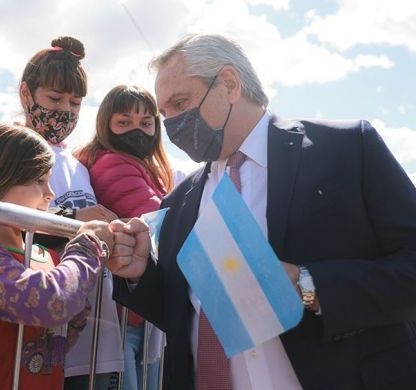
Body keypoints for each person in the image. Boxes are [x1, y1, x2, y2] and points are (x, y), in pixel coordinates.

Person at [108, 33, 416, 390]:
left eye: (180, 102)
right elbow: (188, 315)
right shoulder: (177, 203)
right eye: (165, 113)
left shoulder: (346, 150)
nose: (172, 123)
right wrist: (138, 275)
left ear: (229, 84)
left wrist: (307, 285)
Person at [0, 122, 114, 389]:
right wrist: (90, 245)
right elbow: (53, 302)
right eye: (38, 180)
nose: (51, 194)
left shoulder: (46, 256)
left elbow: (68, 321)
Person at [19, 36, 123, 389]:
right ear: (26, 95)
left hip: (96, 329)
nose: (65, 109)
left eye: (75, 102)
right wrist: (73, 220)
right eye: (54, 98)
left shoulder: (78, 164)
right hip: (40, 333)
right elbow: (8, 219)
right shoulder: (13, 148)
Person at [76, 85, 174, 390]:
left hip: (132, 312)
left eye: (146, 123)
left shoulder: (141, 166)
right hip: (124, 314)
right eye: (124, 122)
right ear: (106, 124)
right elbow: (155, 215)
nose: (137, 131)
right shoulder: (112, 163)